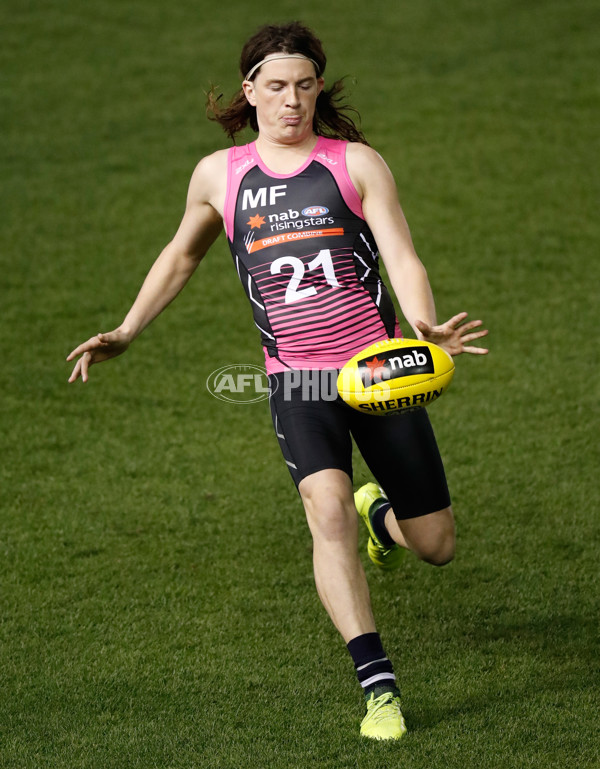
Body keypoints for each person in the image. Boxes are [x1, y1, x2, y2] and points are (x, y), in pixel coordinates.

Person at [67, 21, 488, 740]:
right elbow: (180, 256)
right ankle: (379, 686)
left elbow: (401, 253)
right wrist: (127, 330)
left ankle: (381, 518)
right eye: (276, 86)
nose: (290, 101)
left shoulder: (355, 163)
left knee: (437, 544)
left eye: (303, 85)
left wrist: (423, 322)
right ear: (250, 91)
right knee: (324, 513)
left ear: (317, 87)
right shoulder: (219, 176)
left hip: (378, 370)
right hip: (297, 382)